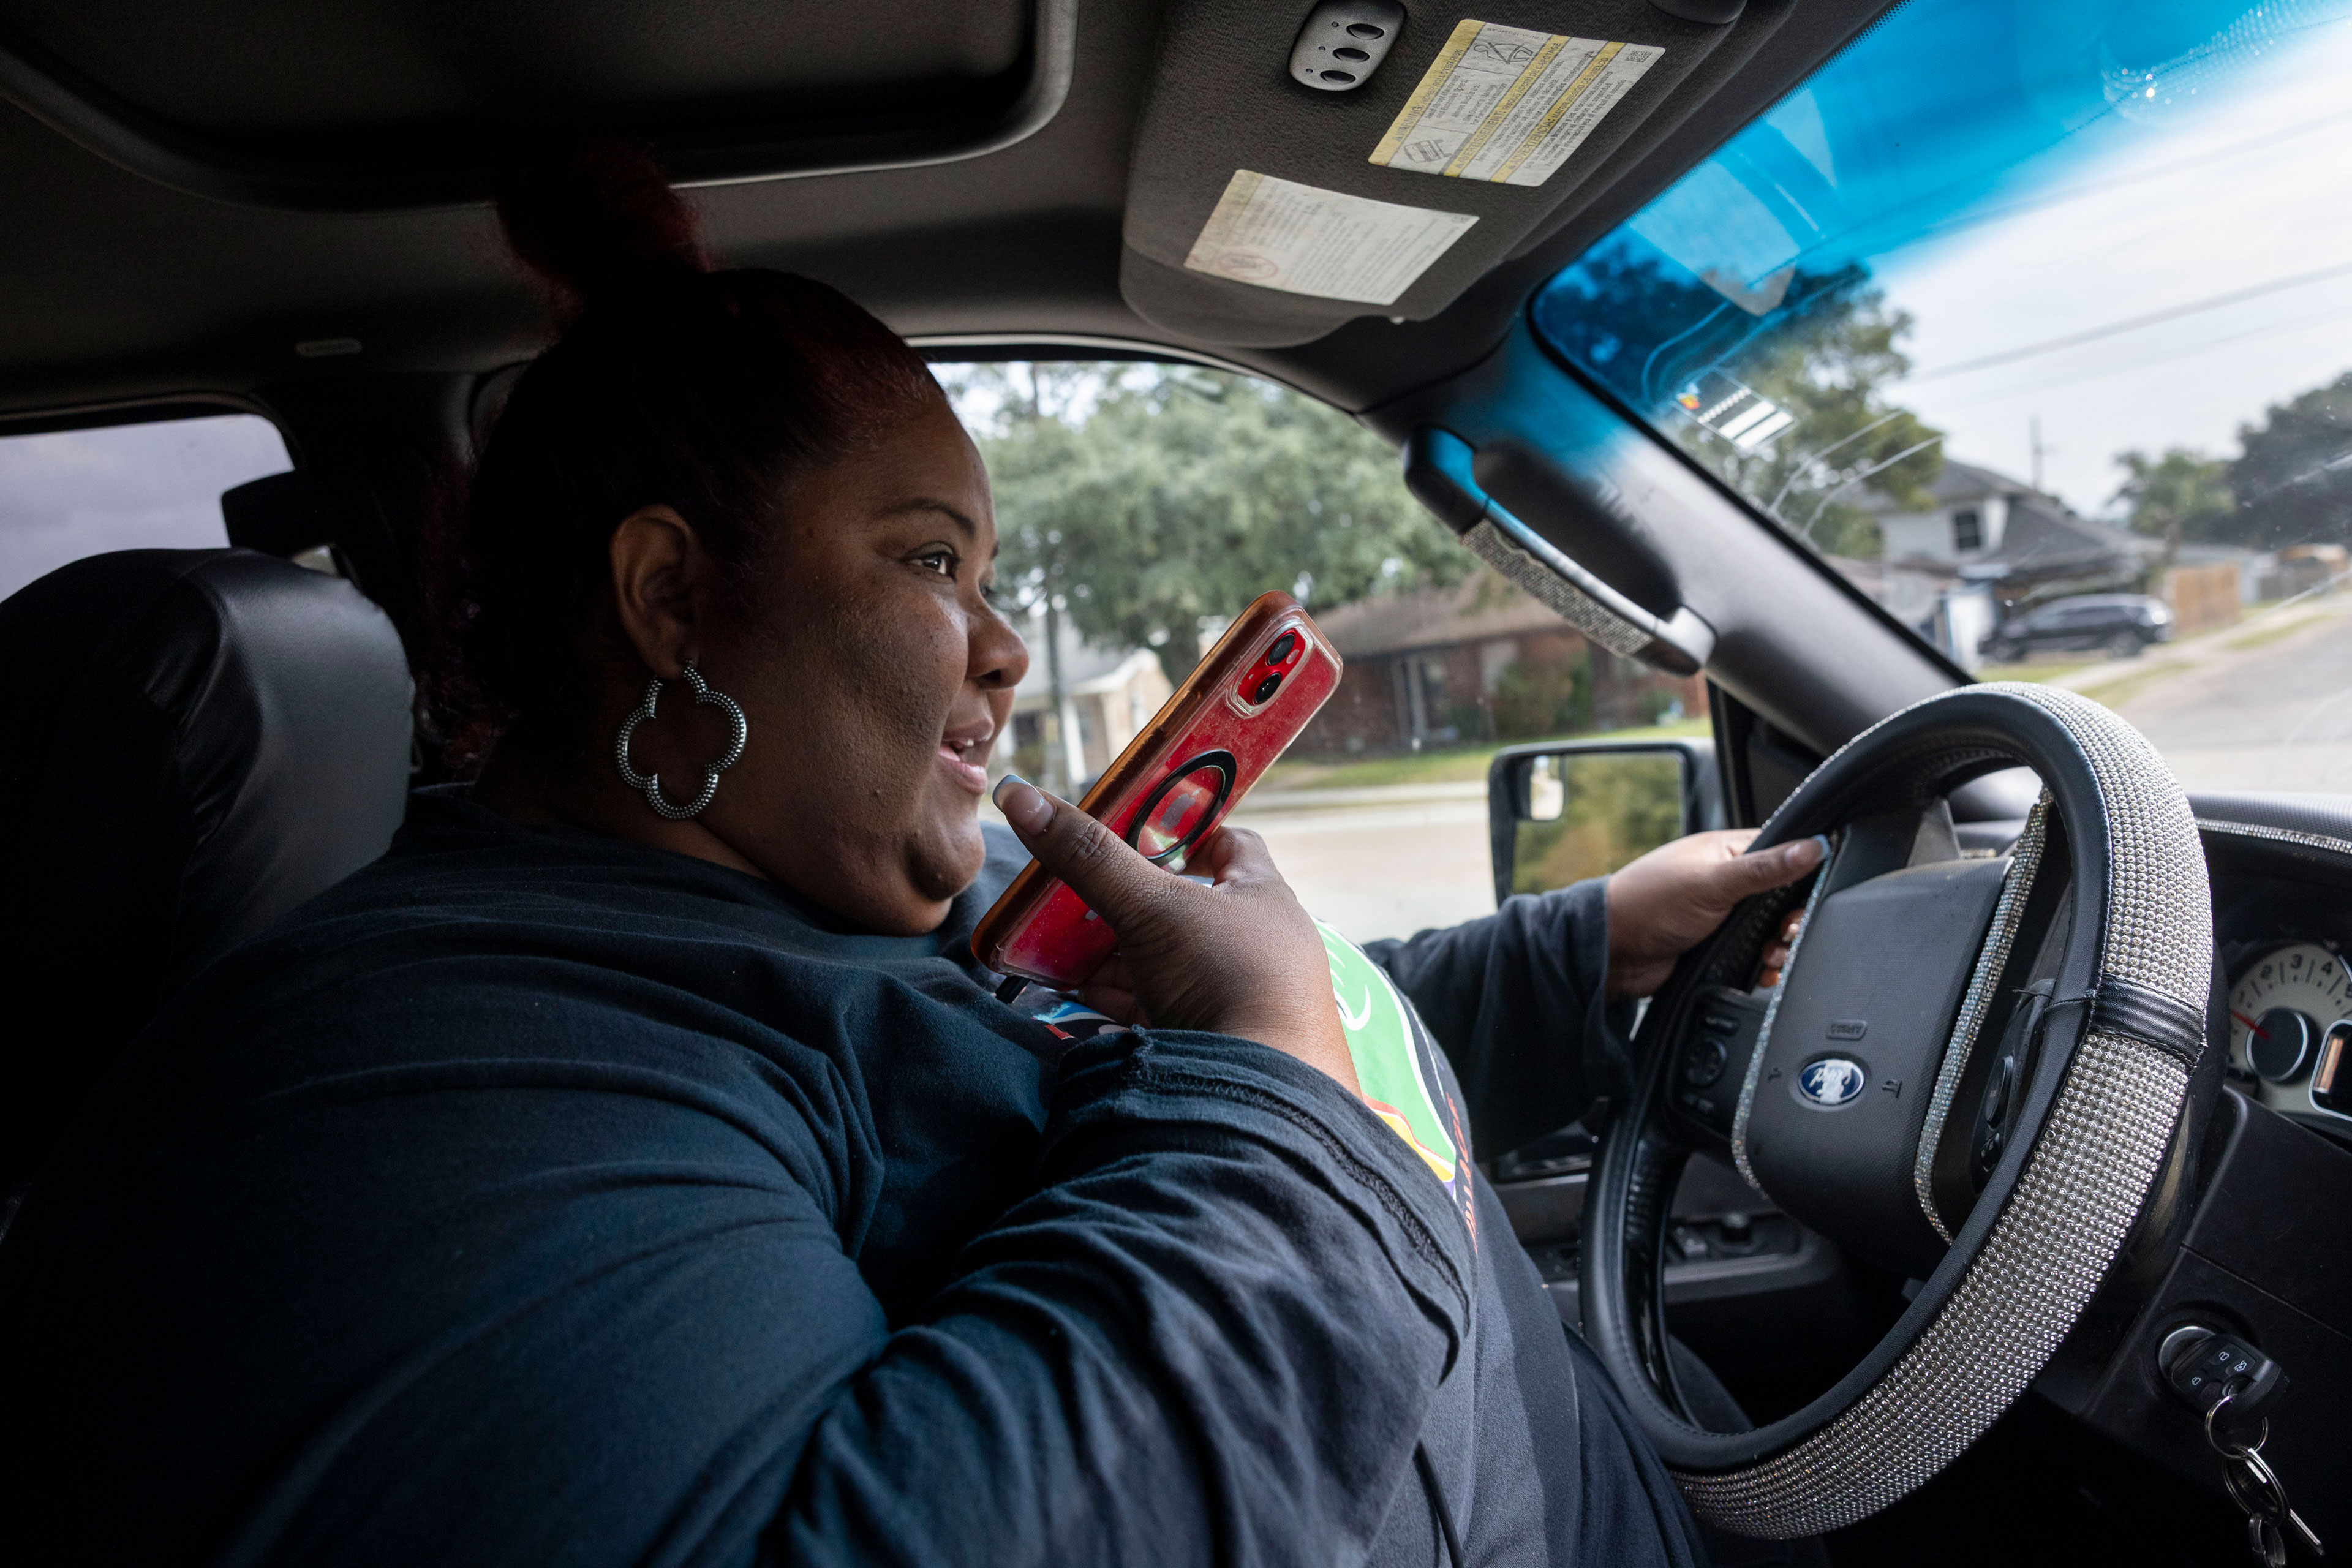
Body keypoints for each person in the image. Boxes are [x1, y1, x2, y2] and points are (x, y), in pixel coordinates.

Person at [0, 146, 1822, 1565]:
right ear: (669, 600)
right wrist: (1274, 1082)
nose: (1008, 644)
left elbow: (1067, 1089)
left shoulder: (784, 903)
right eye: (932, 562)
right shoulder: (411, 1082)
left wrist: (1575, 955)